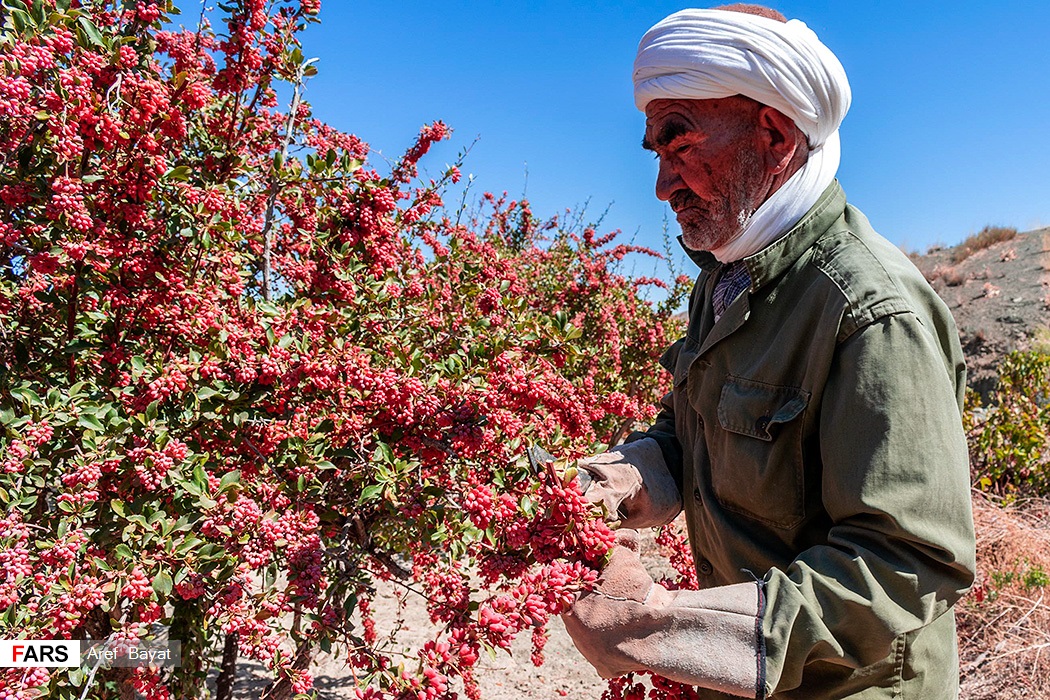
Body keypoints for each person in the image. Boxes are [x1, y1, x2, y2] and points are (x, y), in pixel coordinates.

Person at [561, 5, 976, 699]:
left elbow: (908, 563)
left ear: (776, 135)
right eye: (656, 153)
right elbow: (696, 431)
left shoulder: (868, 312)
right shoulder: (729, 278)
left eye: (680, 143)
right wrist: (621, 479)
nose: (662, 186)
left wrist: (661, 628)